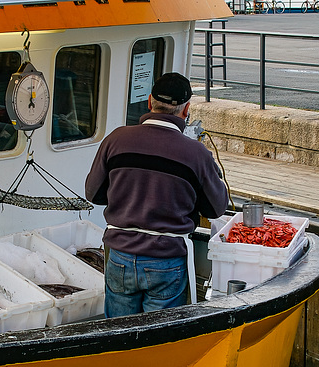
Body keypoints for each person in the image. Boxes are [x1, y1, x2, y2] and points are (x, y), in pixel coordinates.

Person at [85, 72, 228, 318]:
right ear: (186, 111)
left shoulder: (116, 139)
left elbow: (94, 194)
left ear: (150, 102)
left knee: (119, 336)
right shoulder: (196, 154)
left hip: (120, 257)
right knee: (158, 339)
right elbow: (216, 209)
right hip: (166, 262)